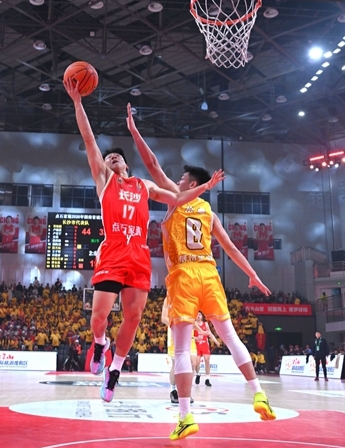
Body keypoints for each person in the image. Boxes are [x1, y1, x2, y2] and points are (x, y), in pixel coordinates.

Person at [65, 80, 224, 404]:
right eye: (108, 157)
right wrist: (78, 102)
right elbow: (88, 138)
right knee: (99, 317)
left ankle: (114, 371)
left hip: (138, 255)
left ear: (126, 164)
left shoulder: (143, 185)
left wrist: (204, 188)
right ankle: (100, 343)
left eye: (117, 157)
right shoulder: (104, 180)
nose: (112, 158)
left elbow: (177, 198)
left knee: (134, 318)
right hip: (113, 251)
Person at [128, 103, 274, 441]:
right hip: (210, 274)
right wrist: (252, 274)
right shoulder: (208, 211)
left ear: (190, 183)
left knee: (181, 351)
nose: (177, 181)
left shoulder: (176, 199)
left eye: (181, 178)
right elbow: (232, 248)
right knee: (231, 337)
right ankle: (258, 392)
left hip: (184, 275)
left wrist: (134, 130)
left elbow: (152, 164)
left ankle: (185, 415)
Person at [161, 297, 195, 404]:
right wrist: (176, 325)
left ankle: (186, 391)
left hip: (188, 330)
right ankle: (173, 390)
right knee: (176, 363)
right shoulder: (169, 298)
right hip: (174, 330)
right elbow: (163, 318)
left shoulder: (190, 296)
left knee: (192, 363)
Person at [193, 311, 220, 387]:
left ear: (202, 316)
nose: (198, 316)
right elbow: (190, 336)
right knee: (197, 363)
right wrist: (195, 338)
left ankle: (207, 379)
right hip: (197, 345)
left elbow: (210, 334)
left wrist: (216, 341)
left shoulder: (205, 324)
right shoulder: (193, 324)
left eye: (200, 315)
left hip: (205, 344)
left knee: (207, 360)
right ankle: (198, 374)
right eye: (197, 315)